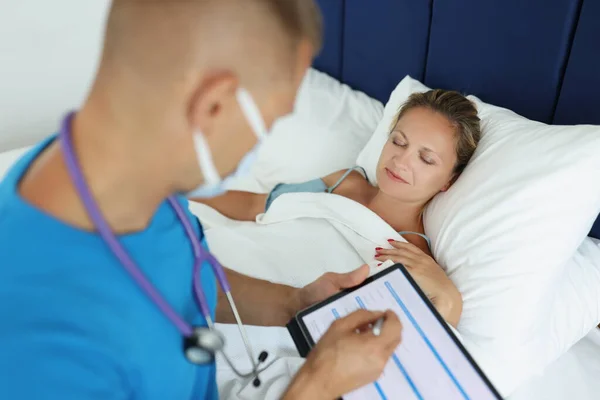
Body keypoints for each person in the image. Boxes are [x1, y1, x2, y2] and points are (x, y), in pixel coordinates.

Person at [0, 1, 402, 399]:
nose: (261, 142)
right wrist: (316, 386)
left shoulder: (125, 176)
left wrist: (294, 302)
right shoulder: (40, 344)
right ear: (213, 106)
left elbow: (188, 275)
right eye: (271, 121)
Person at [195, 89, 482, 328]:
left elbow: (422, 352)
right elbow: (255, 205)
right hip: (222, 264)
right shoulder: (344, 182)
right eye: (398, 141)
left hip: (267, 319)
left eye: (426, 159)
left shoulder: (415, 258)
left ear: (449, 181)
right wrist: (179, 192)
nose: (401, 161)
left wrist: (449, 299)